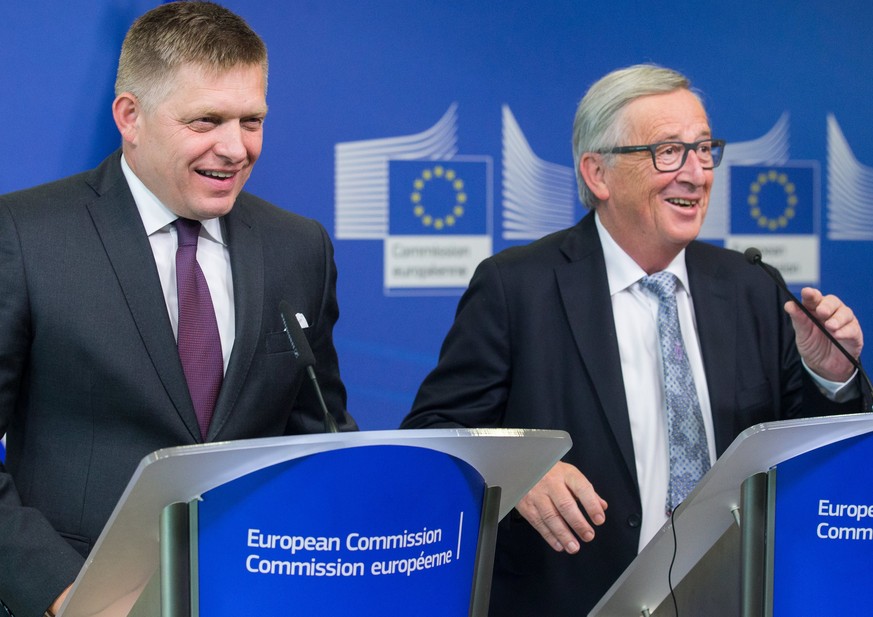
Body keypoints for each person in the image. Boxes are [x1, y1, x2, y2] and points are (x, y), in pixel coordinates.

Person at [401, 64, 869, 616]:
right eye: (668, 152)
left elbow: (804, 457)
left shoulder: (751, 287)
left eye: (703, 149)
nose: (696, 174)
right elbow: (433, 434)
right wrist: (520, 468)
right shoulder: (517, 286)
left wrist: (832, 378)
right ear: (597, 173)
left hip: (733, 597)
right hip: (575, 600)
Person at [0, 3, 357, 616]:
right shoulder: (24, 235)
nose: (236, 148)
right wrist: (66, 593)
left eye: (252, 120)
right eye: (206, 121)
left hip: (255, 592)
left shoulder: (299, 247)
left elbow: (318, 433)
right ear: (130, 117)